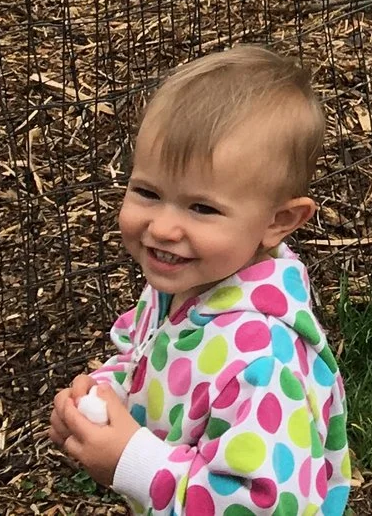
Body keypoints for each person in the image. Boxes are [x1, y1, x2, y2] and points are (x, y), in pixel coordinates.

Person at [48, 44, 352, 515]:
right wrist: (105, 394)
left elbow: (266, 506)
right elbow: (144, 351)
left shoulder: (261, 364)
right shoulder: (190, 286)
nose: (164, 228)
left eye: (202, 208)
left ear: (279, 220)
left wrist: (134, 462)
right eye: (147, 192)